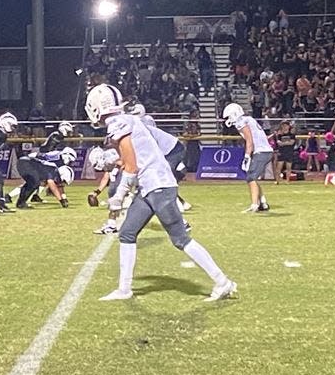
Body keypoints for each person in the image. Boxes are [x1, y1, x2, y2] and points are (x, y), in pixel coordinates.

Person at [85, 83, 236, 302]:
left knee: (180, 239)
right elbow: (132, 160)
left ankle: (223, 282)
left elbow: (131, 165)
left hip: (158, 185)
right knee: (127, 233)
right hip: (149, 185)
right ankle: (124, 289)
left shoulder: (118, 122)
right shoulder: (125, 120)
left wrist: (118, 196)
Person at [222, 103, 273, 212]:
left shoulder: (241, 122)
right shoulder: (248, 119)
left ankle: (255, 204)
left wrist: (247, 156)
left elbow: (249, 141)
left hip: (261, 151)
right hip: (264, 150)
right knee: (251, 176)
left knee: (251, 177)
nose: (228, 119)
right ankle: (262, 202)